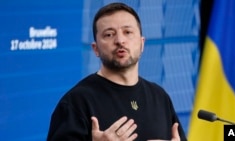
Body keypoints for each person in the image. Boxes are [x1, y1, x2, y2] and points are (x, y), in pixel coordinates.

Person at [47, 2, 187, 141]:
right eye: (109, 34)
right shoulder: (77, 102)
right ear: (95, 49)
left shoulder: (159, 96)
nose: (120, 40)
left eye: (128, 32)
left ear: (142, 43)